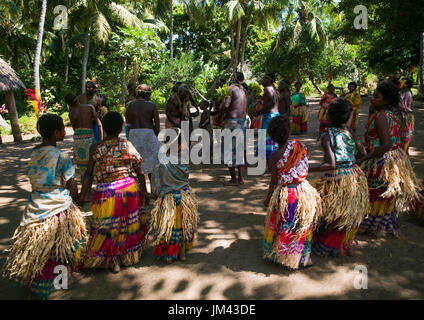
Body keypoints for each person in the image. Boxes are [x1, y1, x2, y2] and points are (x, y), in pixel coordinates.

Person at [3, 114, 87, 299]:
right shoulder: (62, 157)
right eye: (63, 130)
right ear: (57, 133)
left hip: (35, 206)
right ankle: (63, 279)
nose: (65, 132)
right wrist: (77, 196)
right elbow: (71, 185)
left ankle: (44, 279)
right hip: (58, 207)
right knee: (64, 245)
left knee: (44, 250)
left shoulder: (33, 154)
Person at [78, 111, 150, 273]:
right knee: (126, 223)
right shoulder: (126, 144)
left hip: (106, 192)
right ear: (121, 128)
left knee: (107, 226)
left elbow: (88, 174)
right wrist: (144, 192)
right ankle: (126, 255)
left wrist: (83, 195)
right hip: (128, 189)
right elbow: (139, 171)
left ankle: (113, 259)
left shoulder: (95, 147)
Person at [357, 81, 422, 237]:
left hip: (382, 159)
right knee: (385, 192)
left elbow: (385, 144)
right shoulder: (394, 114)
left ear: (386, 100)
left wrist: (365, 158)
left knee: (376, 192)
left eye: (376, 96)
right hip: (394, 157)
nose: (372, 98)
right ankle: (384, 224)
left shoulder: (381, 117)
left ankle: (373, 225)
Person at [309, 98, 368, 257]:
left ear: (328, 116)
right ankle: (343, 242)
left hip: (337, 179)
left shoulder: (326, 136)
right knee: (347, 211)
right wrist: (352, 162)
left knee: (331, 211)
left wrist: (307, 168)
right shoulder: (350, 132)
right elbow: (363, 153)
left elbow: (331, 164)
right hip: (353, 176)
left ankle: (329, 245)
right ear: (348, 117)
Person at [263, 115, 321, 269]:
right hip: (303, 191)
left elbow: (274, 181)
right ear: (288, 132)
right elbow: (305, 160)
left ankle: (285, 257)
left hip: (286, 195)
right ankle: (305, 258)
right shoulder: (298, 145)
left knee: (286, 225)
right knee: (303, 225)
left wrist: (268, 198)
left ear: (273, 138)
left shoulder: (273, 157)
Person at [150, 128, 199, 263]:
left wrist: (156, 196)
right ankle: (182, 253)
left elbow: (156, 185)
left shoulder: (159, 163)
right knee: (183, 226)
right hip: (183, 198)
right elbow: (185, 178)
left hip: (167, 199)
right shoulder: (182, 161)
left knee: (169, 227)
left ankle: (168, 254)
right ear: (178, 146)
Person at [126, 84, 161, 183]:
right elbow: (157, 125)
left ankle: (140, 192)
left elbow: (128, 125)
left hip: (134, 134)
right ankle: (154, 190)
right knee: (153, 164)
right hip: (148, 133)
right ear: (148, 95)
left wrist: (130, 138)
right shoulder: (152, 106)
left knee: (136, 165)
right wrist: (154, 137)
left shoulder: (130, 106)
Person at [66, 93, 103, 181]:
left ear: (69, 104)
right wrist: (101, 140)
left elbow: (75, 129)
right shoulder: (89, 107)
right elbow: (99, 124)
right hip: (89, 137)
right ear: (77, 99)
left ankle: (85, 186)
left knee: (83, 166)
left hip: (78, 139)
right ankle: (92, 184)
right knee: (93, 162)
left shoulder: (71, 113)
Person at [219, 74, 248, 186]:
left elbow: (226, 105)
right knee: (239, 150)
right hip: (242, 122)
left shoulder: (230, 89)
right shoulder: (243, 91)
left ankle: (233, 179)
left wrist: (219, 115)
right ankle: (240, 178)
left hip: (232, 122)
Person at [255, 73, 280, 160]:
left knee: (267, 141)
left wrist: (260, 111)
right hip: (275, 115)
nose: (262, 80)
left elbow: (272, 102)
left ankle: (269, 165)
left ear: (268, 80)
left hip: (269, 117)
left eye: (264, 78)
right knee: (273, 140)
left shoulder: (267, 88)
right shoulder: (273, 89)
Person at [398, 77, 414, 153]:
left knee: (405, 133)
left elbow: (404, 106)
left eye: (403, 83)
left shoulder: (407, 93)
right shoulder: (403, 92)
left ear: (406, 85)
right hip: (401, 115)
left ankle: (404, 150)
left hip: (405, 116)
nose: (401, 84)